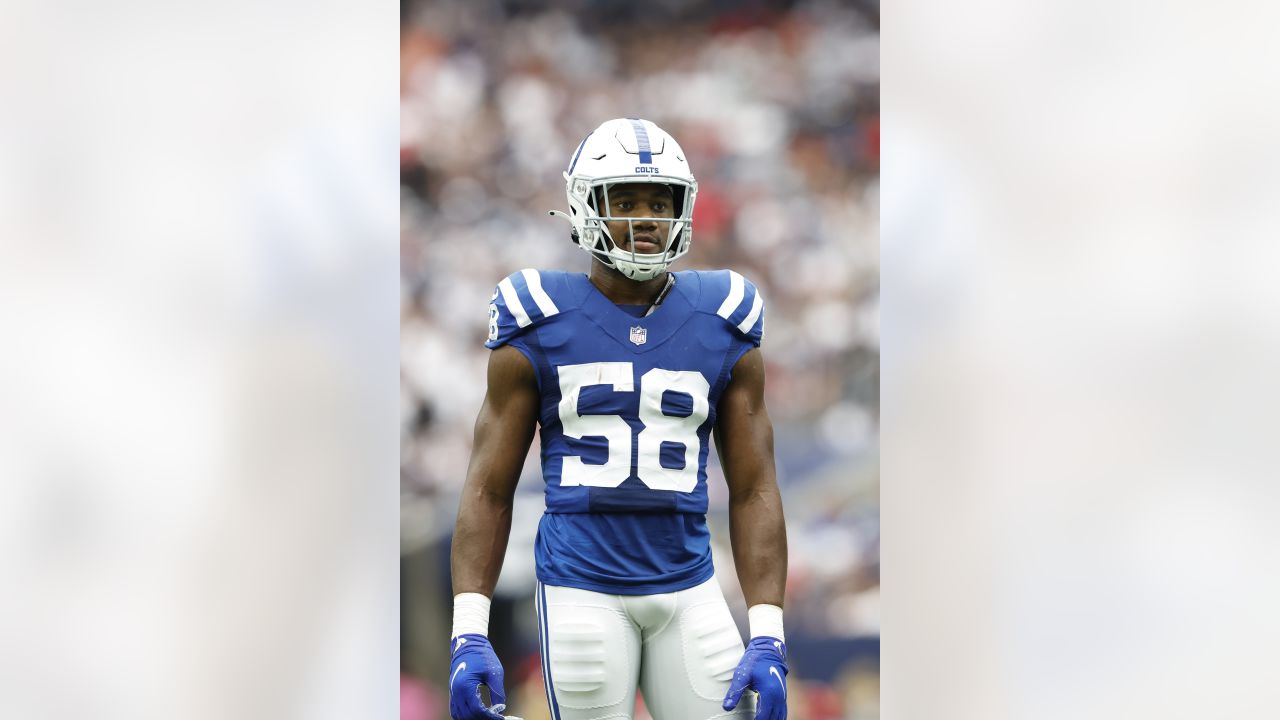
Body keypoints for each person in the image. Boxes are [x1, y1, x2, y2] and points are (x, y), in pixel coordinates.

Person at [448, 118, 789, 720]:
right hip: (582, 586)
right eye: (625, 200)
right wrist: (469, 631)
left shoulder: (724, 313)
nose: (646, 218)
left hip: (690, 584)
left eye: (659, 202)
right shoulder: (539, 314)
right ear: (585, 207)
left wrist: (768, 632)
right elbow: (488, 486)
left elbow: (755, 484)